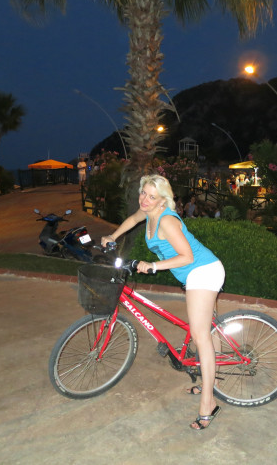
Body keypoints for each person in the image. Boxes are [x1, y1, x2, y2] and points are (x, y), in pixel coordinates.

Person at [101, 174, 224, 431]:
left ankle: (209, 402)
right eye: (143, 193)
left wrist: (154, 266)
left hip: (203, 271)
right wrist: (112, 235)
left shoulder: (167, 220)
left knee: (200, 335)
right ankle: (213, 381)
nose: (144, 200)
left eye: (152, 196)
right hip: (194, 273)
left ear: (162, 201)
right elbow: (133, 219)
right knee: (208, 329)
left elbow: (187, 257)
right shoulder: (149, 211)